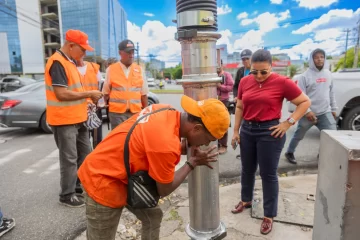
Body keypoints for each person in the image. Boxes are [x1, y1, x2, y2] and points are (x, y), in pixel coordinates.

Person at [78, 95, 230, 240]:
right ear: (196, 129)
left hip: (125, 176)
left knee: (153, 216)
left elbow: (150, 142)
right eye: (208, 139)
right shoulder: (165, 145)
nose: (205, 144)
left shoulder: (165, 109)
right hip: (102, 180)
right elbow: (164, 189)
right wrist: (192, 162)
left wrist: (183, 147)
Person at [230, 49, 311, 235]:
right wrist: (236, 131)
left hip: (271, 132)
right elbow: (240, 105)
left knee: (268, 174)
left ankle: (269, 214)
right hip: (248, 130)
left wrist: (288, 123)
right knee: (247, 169)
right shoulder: (244, 81)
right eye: (254, 72)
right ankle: (246, 200)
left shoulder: (282, 82)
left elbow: (305, 102)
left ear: (271, 67)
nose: (258, 76)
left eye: (263, 72)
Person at [45, 29, 103, 207]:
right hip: (64, 120)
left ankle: (77, 186)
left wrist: (88, 101)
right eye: (83, 49)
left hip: (79, 118)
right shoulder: (57, 62)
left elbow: (75, 90)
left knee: (85, 154)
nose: (84, 53)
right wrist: (89, 93)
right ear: (71, 46)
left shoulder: (71, 62)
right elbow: (61, 94)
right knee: (69, 158)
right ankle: (67, 194)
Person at [285, 48, 337, 164]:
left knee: (332, 136)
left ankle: (322, 155)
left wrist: (333, 109)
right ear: (312, 59)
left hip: (325, 112)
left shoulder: (328, 74)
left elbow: (331, 92)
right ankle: (289, 152)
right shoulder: (304, 76)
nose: (319, 59)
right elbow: (299, 96)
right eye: (316, 57)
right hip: (308, 113)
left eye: (322, 57)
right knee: (299, 134)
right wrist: (307, 111)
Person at [102, 39, 149, 130]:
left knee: (134, 140)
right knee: (119, 141)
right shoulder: (111, 69)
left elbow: (144, 94)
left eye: (132, 52)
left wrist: (145, 112)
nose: (131, 55)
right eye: (128, 52)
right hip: (116, 114)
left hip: (135, 113)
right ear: (120, 53)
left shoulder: (139, 70)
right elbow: (105, 93)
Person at [76, 57, 104, 147]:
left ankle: (96, 158)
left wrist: (100, 102)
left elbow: (100, 86)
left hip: (94, 108)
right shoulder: (71, 68)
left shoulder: (93, 67)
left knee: (97, 138)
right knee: (82, 141)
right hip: (79, 109)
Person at [233, 49, 252, 159]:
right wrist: (236, 96)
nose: (245, 61)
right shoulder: (241, 71)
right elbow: (236, 86)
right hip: (241, 104)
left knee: (250, 129)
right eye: (243, 59)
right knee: (241, 129)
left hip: (252, 105)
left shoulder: (256, 71)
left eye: (247, 59)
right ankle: (244, 152)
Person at [216, 66, 234, 154]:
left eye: (218, 65)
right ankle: (217, 145)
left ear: (222, 65)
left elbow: (230, 87)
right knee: (213, 124)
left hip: (224, 101)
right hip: (214, 101)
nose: (217, 67)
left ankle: (223, 146)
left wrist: (220, 86)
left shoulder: (227, 75)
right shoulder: (212, 75)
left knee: (223, 124)